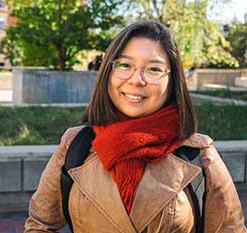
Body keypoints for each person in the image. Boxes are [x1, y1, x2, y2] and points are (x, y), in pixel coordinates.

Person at [25, 21, 246, 232]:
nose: (136, 79)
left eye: (153, 69)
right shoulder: (75, 146)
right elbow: (40, 224)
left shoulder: (199, 154)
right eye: (124, 65)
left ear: (173, 80)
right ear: (109, 72)